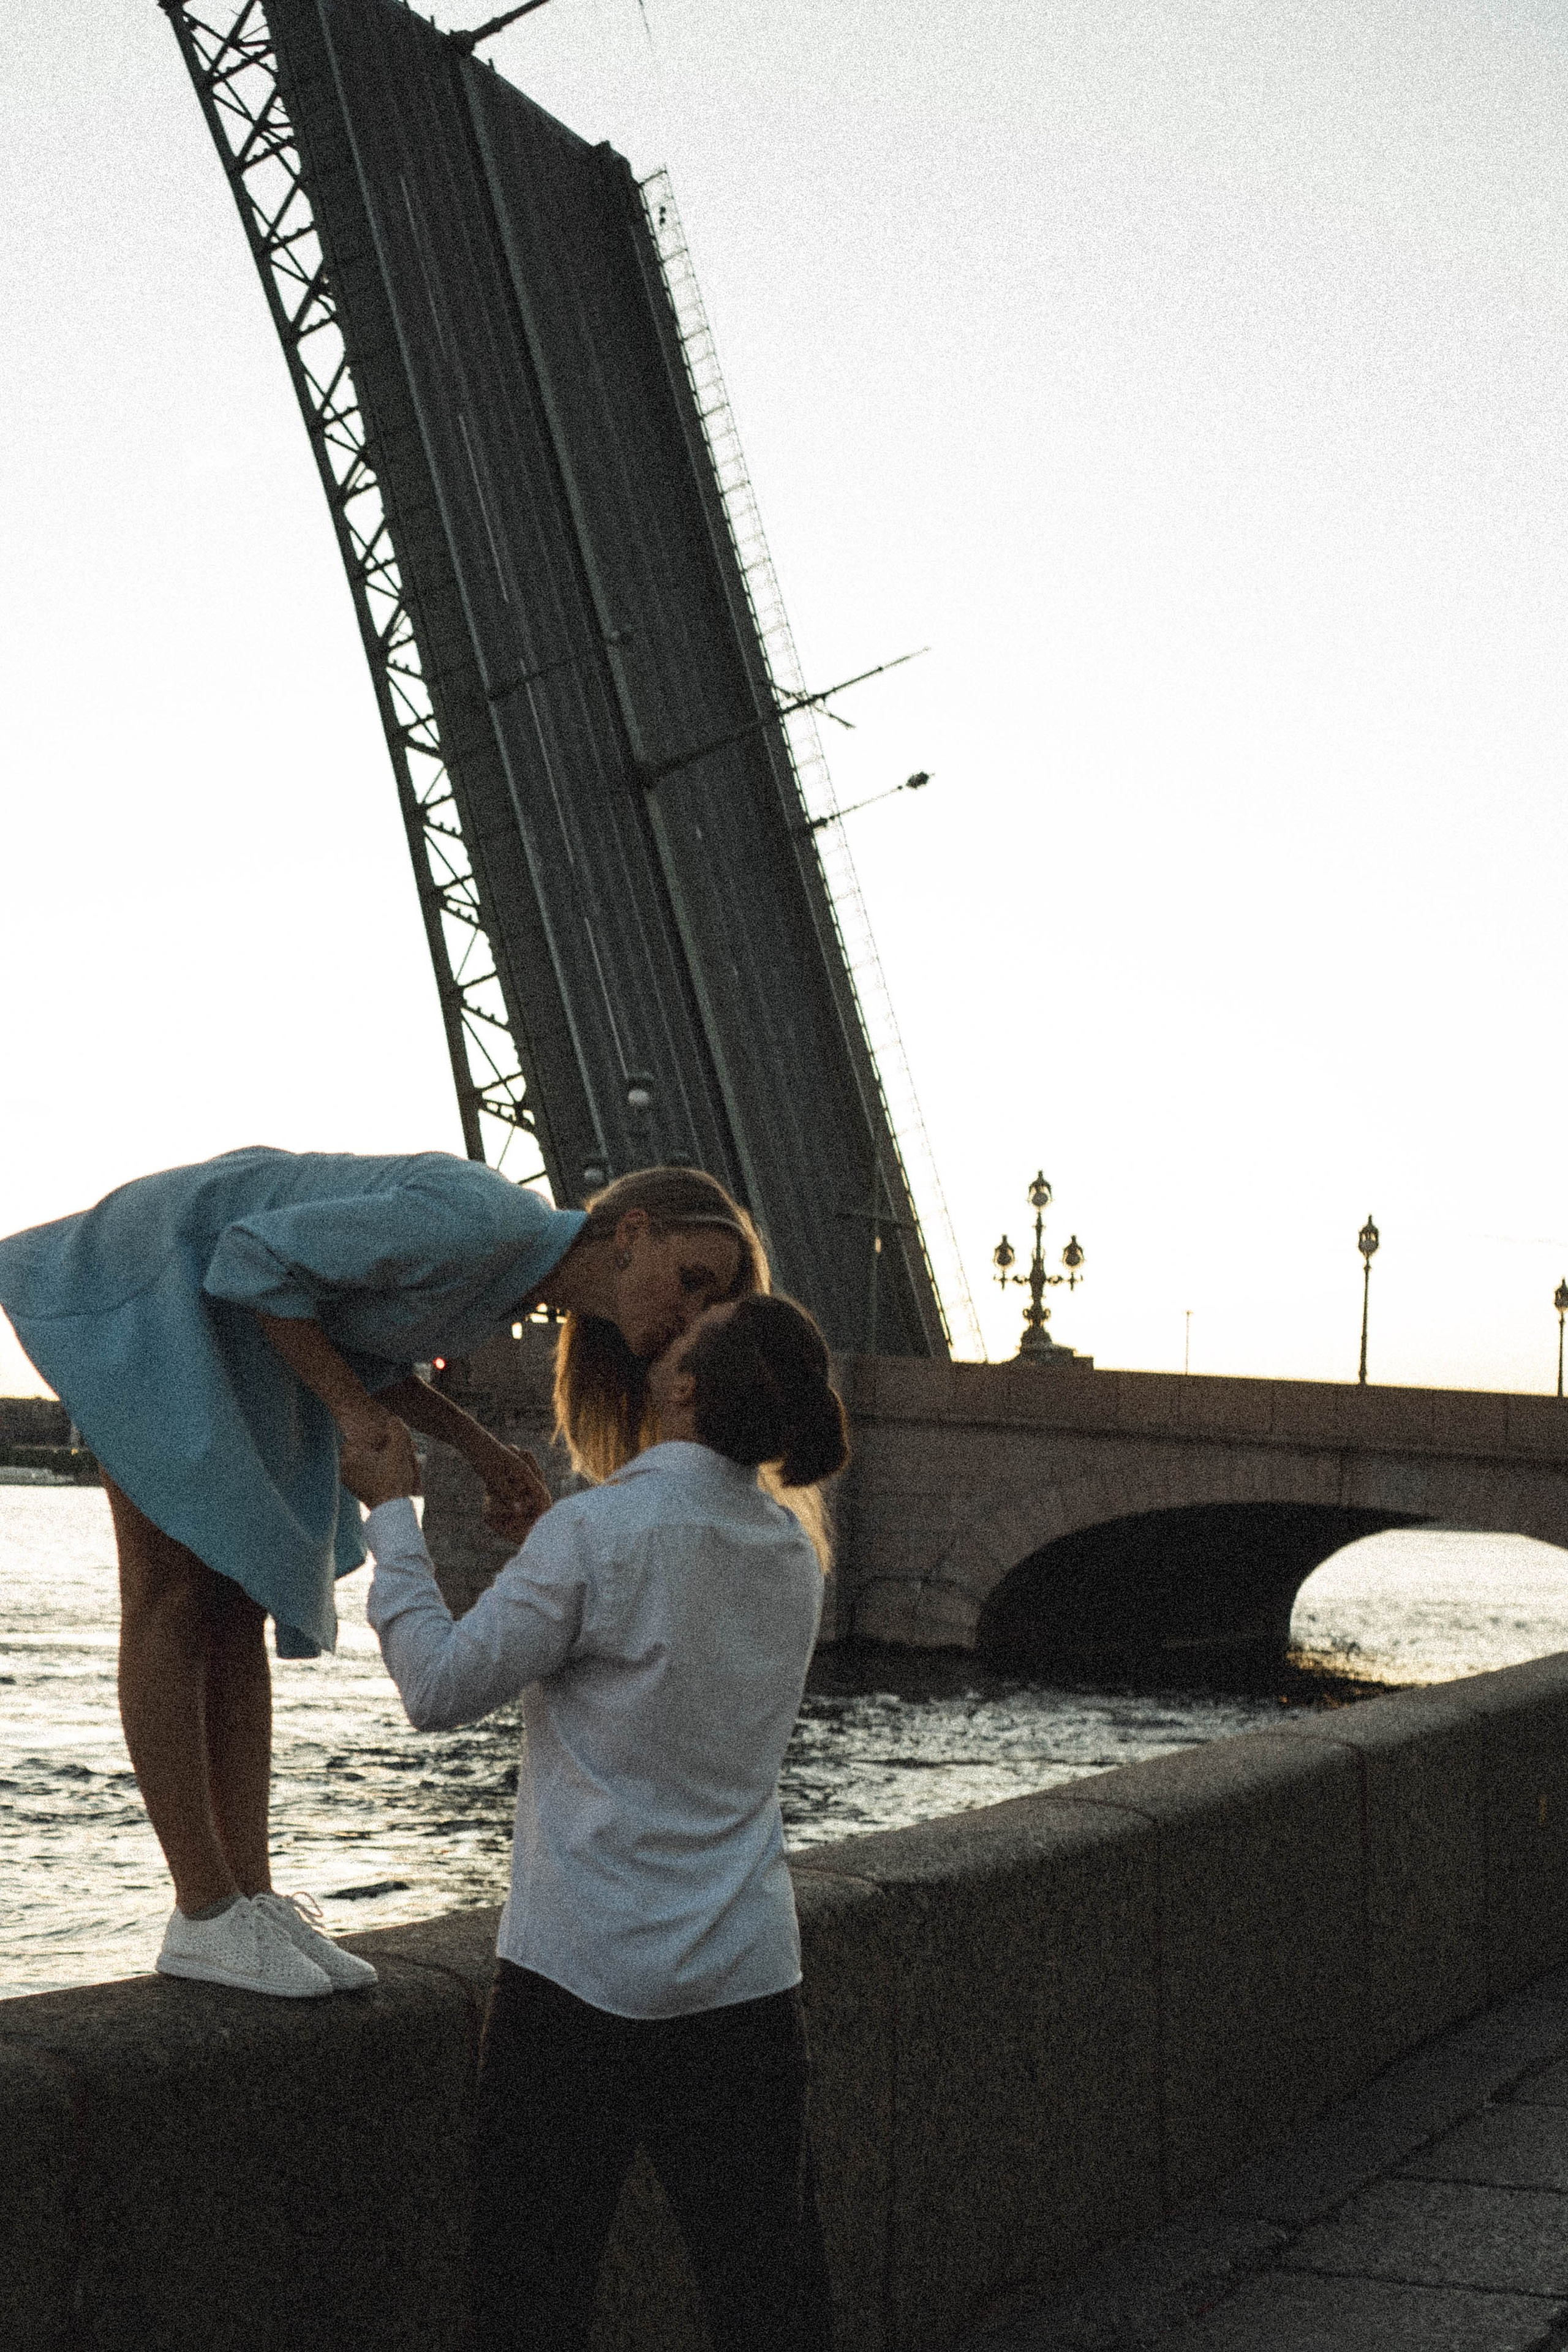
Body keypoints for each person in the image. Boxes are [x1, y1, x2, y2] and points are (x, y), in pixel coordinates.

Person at [0, 1148, 764, 1997]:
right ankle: (204, 1912)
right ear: (633, 1233)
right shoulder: (484, 1223)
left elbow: (358, 1341)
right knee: (169, 1595)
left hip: (224, 1318)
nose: (691, 1315)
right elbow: (251, 1259)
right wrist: (351, 1413)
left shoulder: (509, 1278)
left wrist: (478, 1449)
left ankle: (247, 1900)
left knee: (237, 1605)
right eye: (692, 1280)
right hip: (158, 1279)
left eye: (710, 1303)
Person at [342, 1289, 849, 2352]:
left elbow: (436, 1686)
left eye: (689, 1335)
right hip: (745, 1980)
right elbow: (665, 1645)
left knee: (530, 2303)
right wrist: (552, 1554)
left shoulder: (597, 1532)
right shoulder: (791, 1552)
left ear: (685, 1389)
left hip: (578, 1982)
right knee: (768, 2302)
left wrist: (392, 1514)